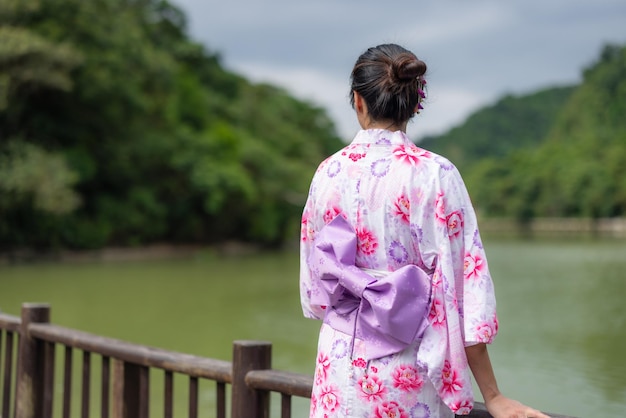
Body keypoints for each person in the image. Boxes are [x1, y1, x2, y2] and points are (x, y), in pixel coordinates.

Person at [299, 43, 550, 418]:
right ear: (414, 104)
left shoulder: (328, 173)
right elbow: (463, 291)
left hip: (338, 367)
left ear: (358, 101)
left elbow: (317, 291)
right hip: (407, 366)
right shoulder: (434, 175)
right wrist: (492, 395)